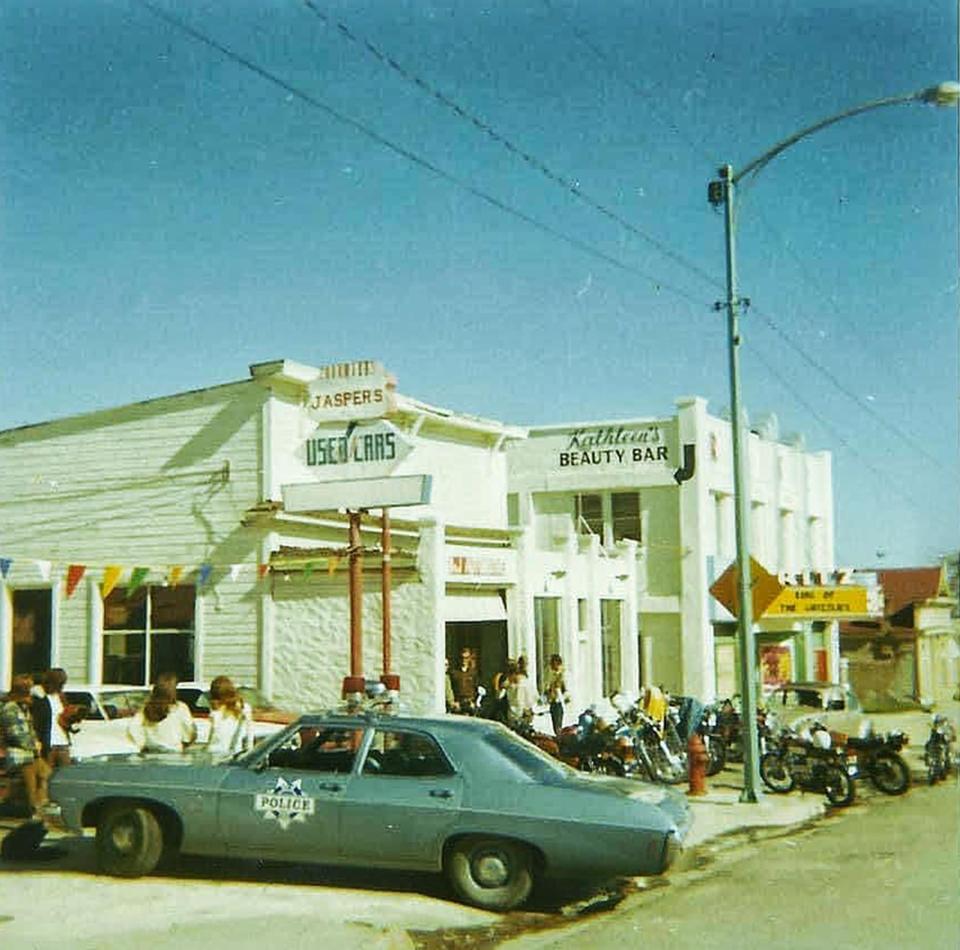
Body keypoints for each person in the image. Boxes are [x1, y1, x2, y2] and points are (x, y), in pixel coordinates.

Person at [0, 674, 52, 816]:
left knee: (45, 773)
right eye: (27, 689)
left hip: (29, 753)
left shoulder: (23, 708)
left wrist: (35, 743)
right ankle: (33, 807)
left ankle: (40, 803)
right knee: (30, 776)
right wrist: (33, 745)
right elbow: (15, 734)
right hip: (16, 753)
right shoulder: (10, 709)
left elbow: (30, 730)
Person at [127, 682, 195, 753]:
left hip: (151, 753)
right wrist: (186, 742)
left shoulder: (146, 709)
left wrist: (142, 744)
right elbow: (189, 730)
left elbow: (133, 728)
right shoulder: (180, 708)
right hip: (174, 753)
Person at [31, 667, 72, 768]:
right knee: (46, 775)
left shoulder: (61, 697)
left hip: (62, 741)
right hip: (47, 743)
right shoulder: (39, 696)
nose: (62, 686)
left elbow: (64, 715)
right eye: (60, 683)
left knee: (64, 774)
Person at [206, 675, 253, 757]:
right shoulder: (244, 708)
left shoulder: (216, 711)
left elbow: (213, 737)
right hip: (236, 754)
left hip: (215, 753)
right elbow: (250, 735)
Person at [506, 657, 538, 726]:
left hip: (518, 719)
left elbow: (518, 703)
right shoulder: (527, 682)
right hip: (527, 715)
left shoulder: (519, 686)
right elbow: (535, 697)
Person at [544, 654, 570, 736]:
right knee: (555, 726)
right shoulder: (551, 675)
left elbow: (566, 690)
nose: (551, 666)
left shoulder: (562, 675)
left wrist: (561, 696)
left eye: (553, 664)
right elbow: (548, 688)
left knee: (558, 726)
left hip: (559, 702)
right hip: (553, 702)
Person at [448, 646, 478, 714]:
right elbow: (450, 688)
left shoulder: (473, 673)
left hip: (470, 701)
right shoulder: (454, 672)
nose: (463, 660)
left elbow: (477, 687)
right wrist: (453, 701)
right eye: (462, 658)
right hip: (458, 701)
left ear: (469, 658)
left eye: (466, 658)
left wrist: (474, 702)